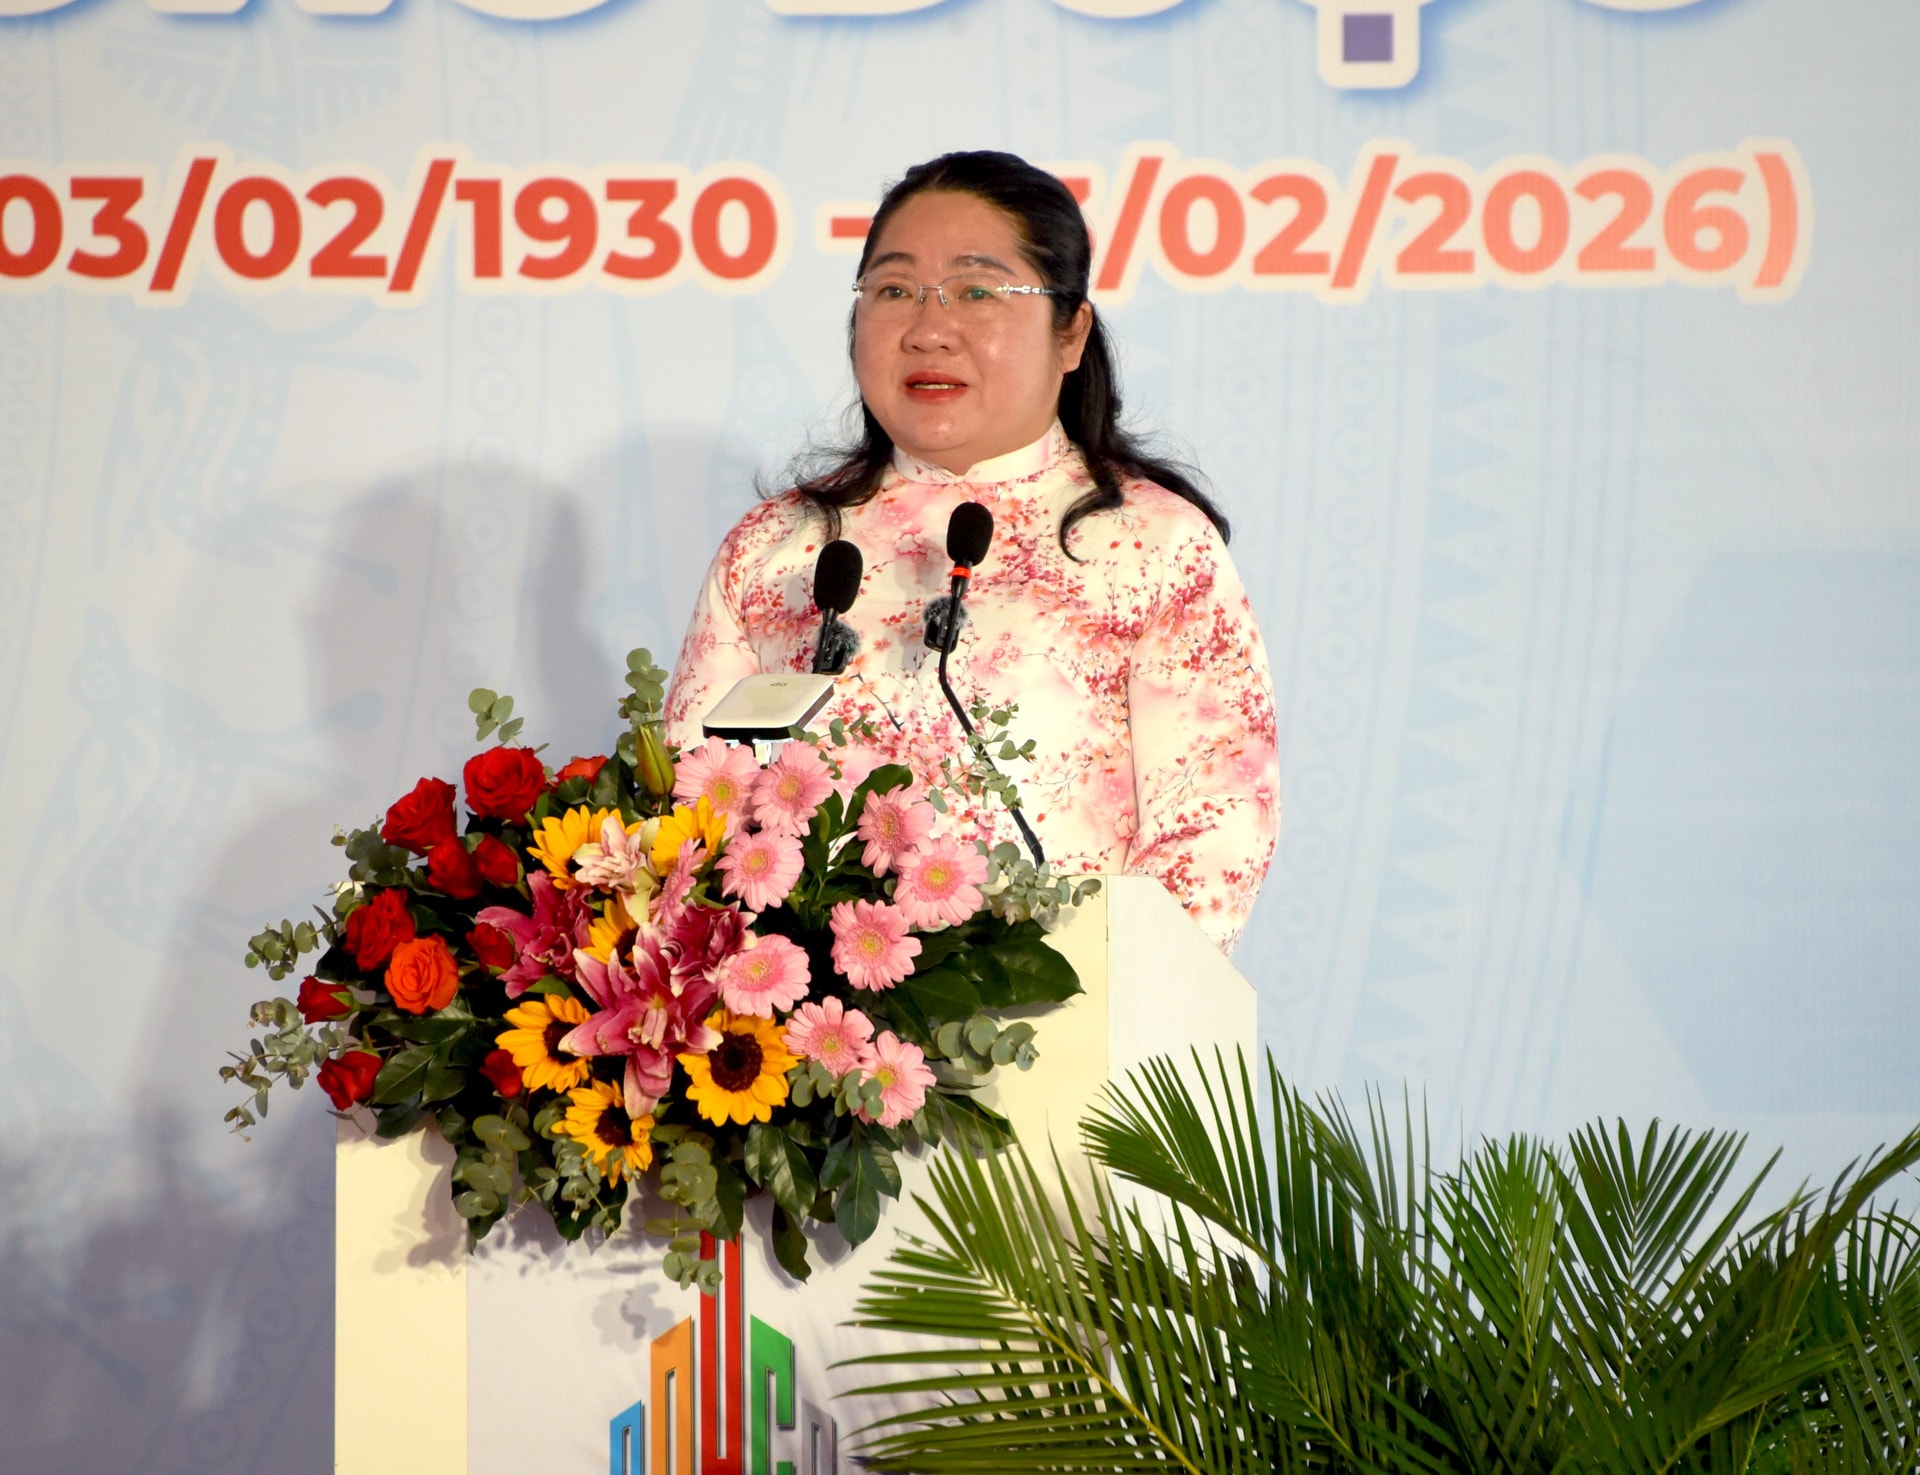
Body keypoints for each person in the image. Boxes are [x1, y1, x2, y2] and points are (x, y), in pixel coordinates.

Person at [663, 150, 1280, 954]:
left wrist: (1090, 998)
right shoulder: (775, 549)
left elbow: (1212, 833)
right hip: (808, 1017)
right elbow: (688, 817)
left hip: (1069, 1017)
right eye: (894, 290)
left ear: (1071, 331)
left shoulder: (1152, 546)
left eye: (977, 291)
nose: (929, 329)